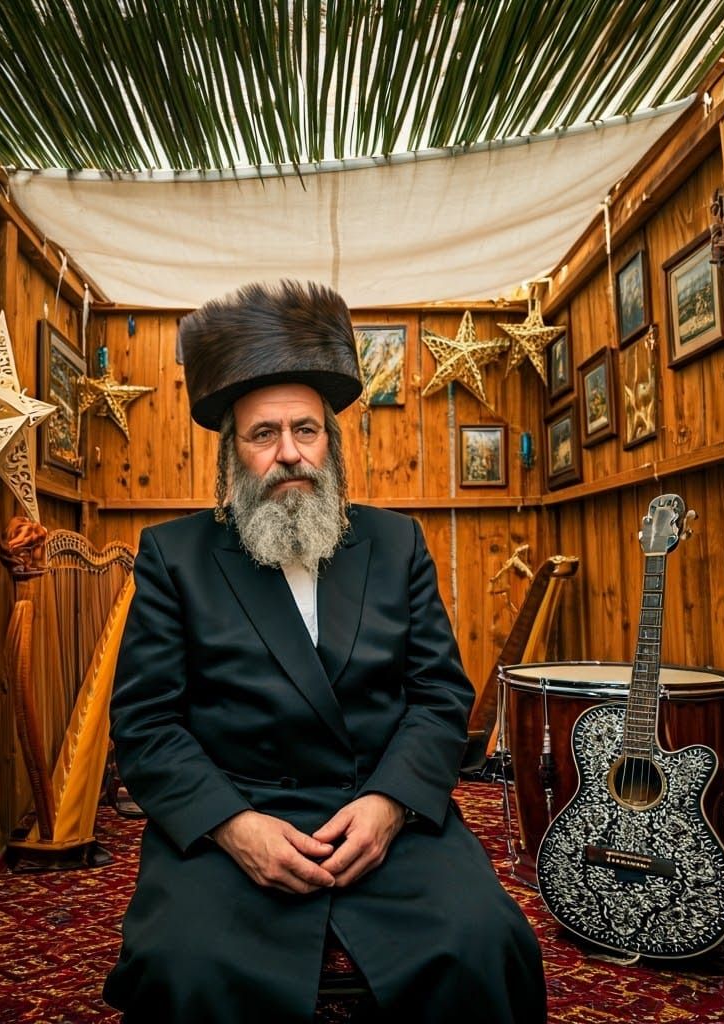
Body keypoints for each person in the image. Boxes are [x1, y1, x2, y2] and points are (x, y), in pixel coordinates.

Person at [104, 280, 546, 1023]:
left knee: (486, 942)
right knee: (181, 967)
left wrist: (389, 804)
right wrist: (233, 826)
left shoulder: (396, 543)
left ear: (330, 444)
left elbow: (439, 696)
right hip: (235, 817)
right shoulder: (174, 556)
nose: (289, 454)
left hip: (381, 810)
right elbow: (147, 724)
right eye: (263, 435)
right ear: (232, 453)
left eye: (305, 430)